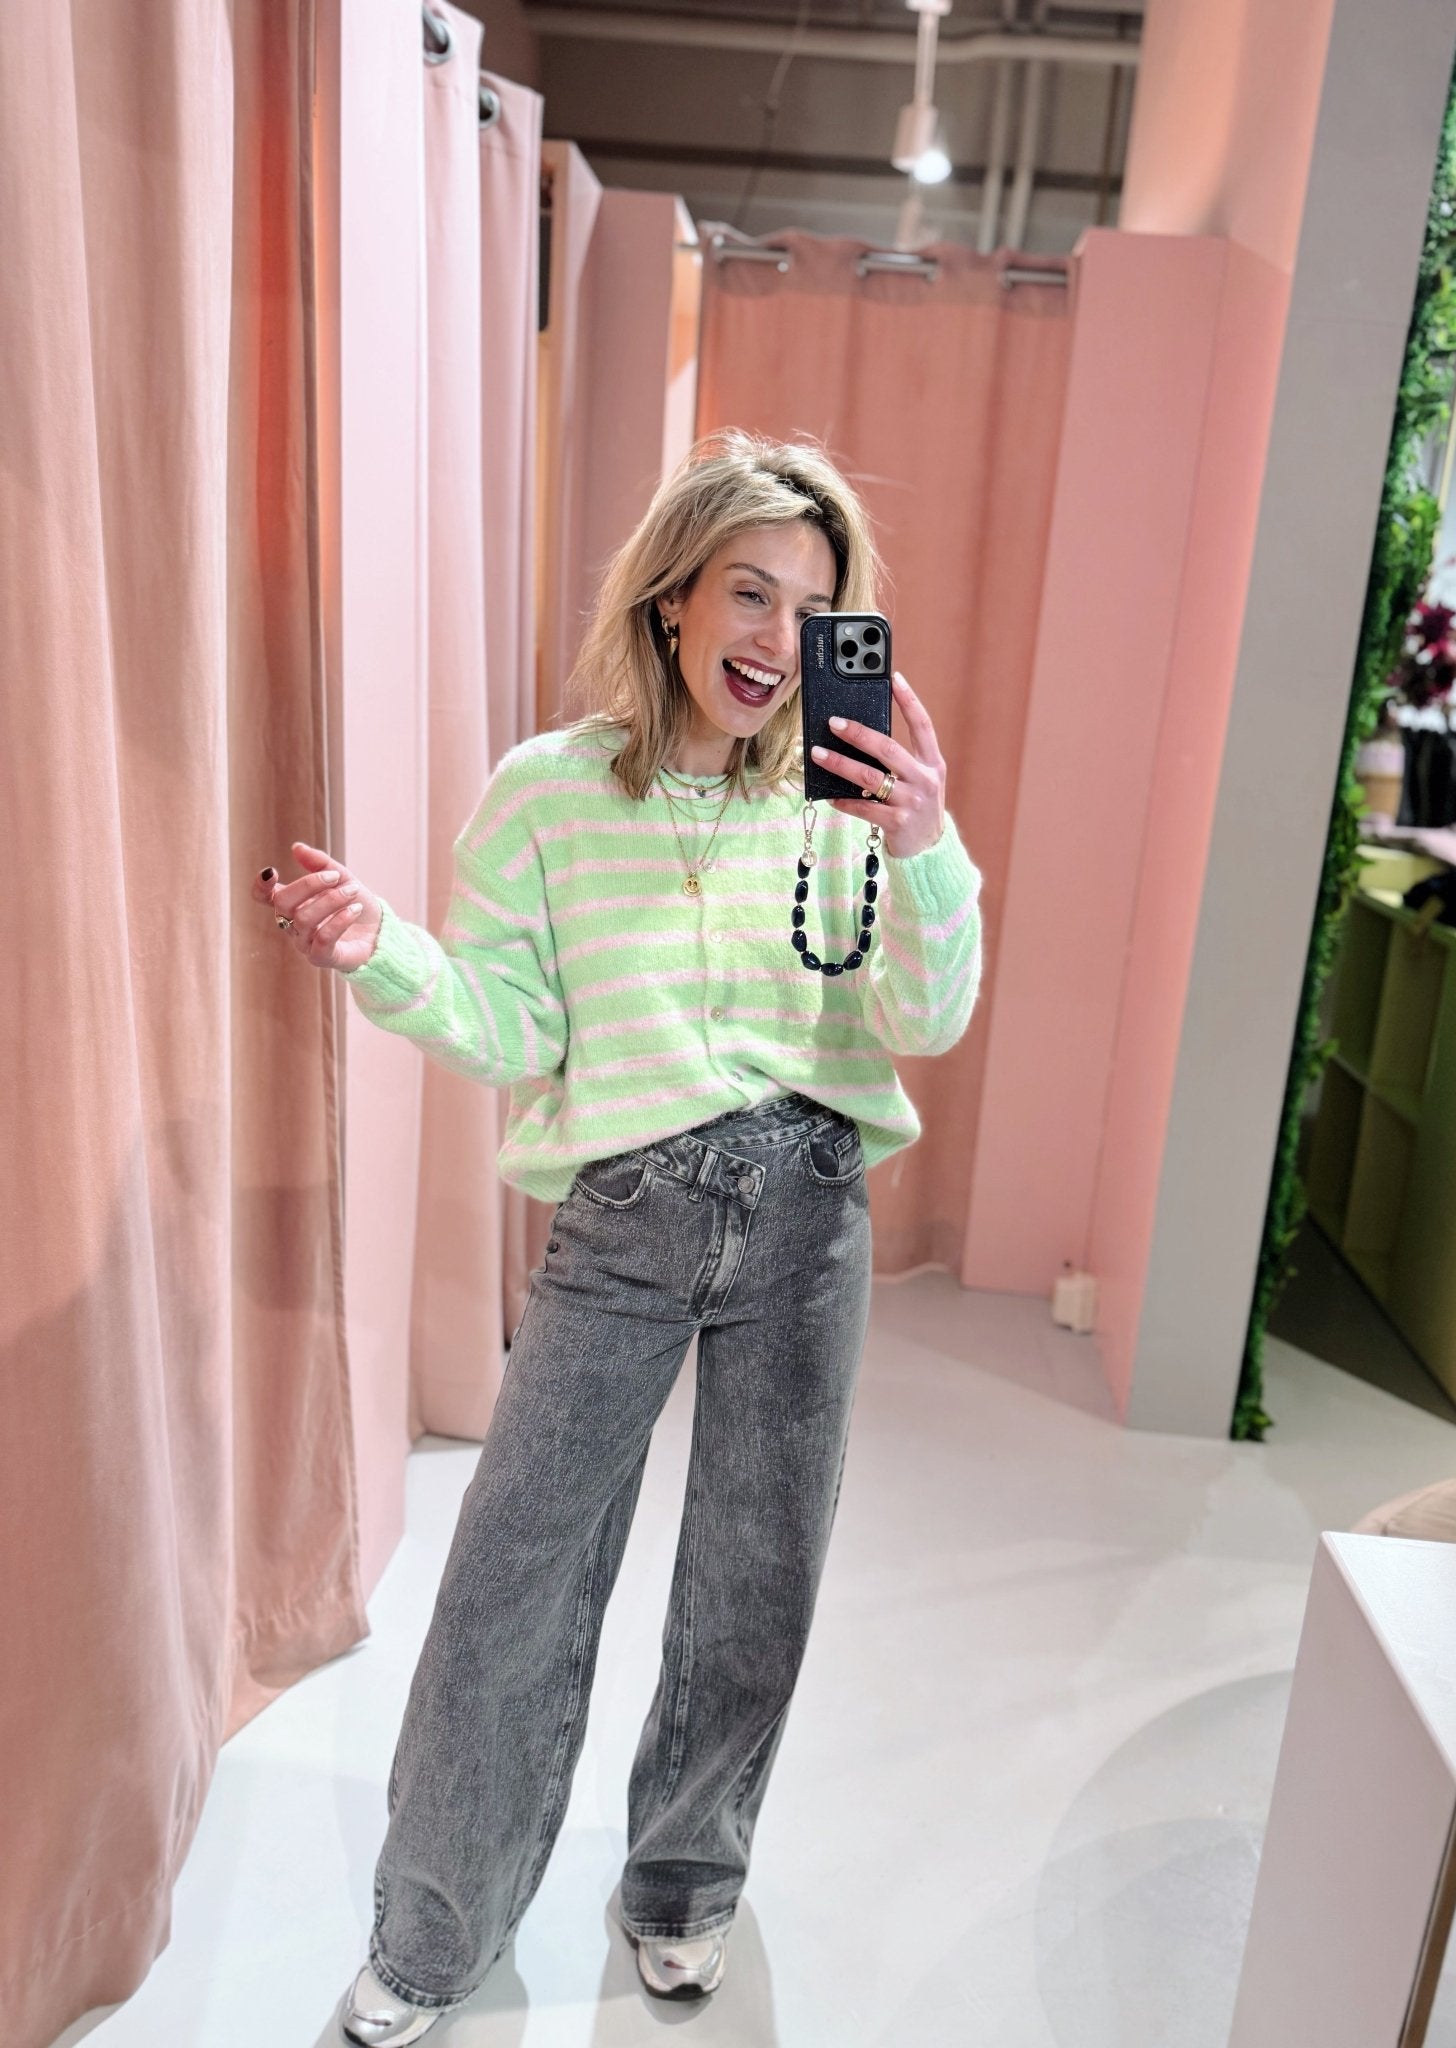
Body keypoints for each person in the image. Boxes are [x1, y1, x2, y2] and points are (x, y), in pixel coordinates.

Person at [253, 429, 984, 2042]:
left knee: (755, 1584)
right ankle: (433, 1935)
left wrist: (926, 846)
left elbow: (922, 1017)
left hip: (810, 1211)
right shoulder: (548, 791)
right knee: (508, 1584)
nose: (781, 639)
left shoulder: (850, 800)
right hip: (627, 1217)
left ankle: (684, 1886)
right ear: (673, 599)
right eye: (751, 592)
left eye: (819, 610)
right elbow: (513, 1025)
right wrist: (386, 954)